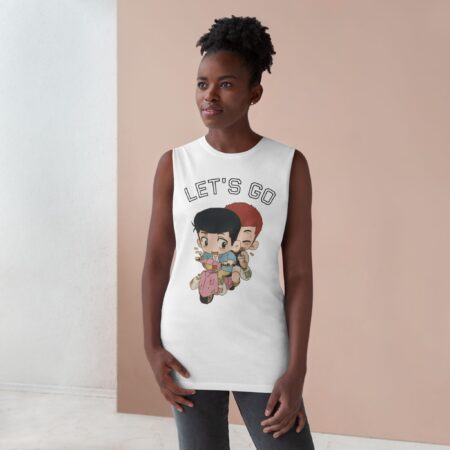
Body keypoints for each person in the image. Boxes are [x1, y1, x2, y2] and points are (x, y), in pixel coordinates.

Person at [142, 15, 315, 450]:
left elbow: (298, 275)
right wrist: (151, 348)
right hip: (187, 350)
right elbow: (157, 262)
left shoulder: (288, 165)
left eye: (227, 84)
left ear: (255, 92)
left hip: (262, 348)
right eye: (202, 84)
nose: (210, 95)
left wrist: (296, 369)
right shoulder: (175, 164)